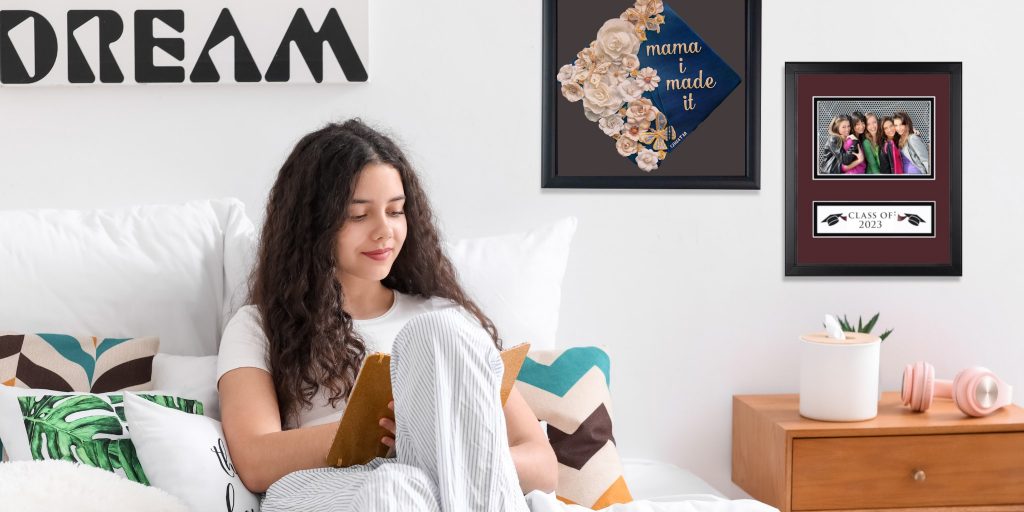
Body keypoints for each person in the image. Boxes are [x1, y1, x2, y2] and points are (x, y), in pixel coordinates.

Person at [217, 119, 557, 511]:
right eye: (358, 216)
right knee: (395, 486)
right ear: (311, 226)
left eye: (396, 211)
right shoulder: (258, 326)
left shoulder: (447, 321)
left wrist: (437, 450)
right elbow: (256, 461)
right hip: (323, 487)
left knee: (439, 331)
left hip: (447, 490)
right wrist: (390, 435)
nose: (385, 232)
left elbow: (543, 466)